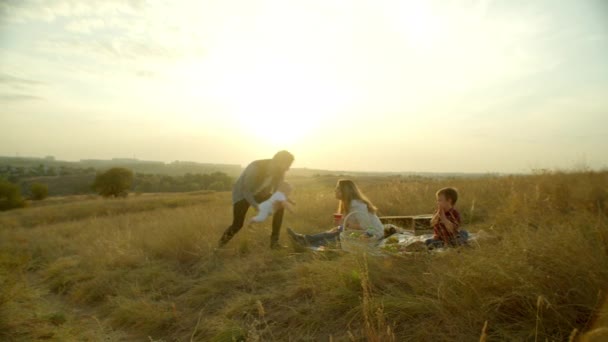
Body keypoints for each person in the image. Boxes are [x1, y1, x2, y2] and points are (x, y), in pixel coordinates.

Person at [218, 150, 294, 249]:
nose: (288, 168)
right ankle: (219, 246)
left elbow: (277, 189)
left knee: (280, 206)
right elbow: (246, 190)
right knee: (237, 225)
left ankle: (274, 243)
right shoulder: (255, 167)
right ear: (279, 161)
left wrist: (284, 198)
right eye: (287, 164)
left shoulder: (280, 171)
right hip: (241, 194)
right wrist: (256, 206)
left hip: (258, 193)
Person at [287, 179, 384, 249]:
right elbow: (352, 223)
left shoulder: (357, 204)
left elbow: (366, 226)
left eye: (337, 189)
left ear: (344, 191)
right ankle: (303, 239)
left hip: (373, 234)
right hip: (363, 231)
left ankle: (307, 244)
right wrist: (340, 226)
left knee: (337, 238)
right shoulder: (347, 203)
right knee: (333, 232)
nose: (335, 191)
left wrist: (346, 225)